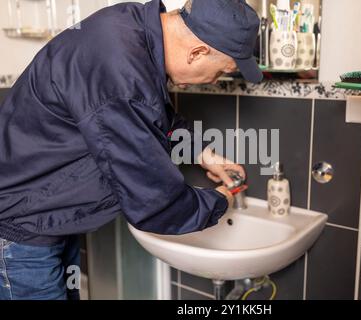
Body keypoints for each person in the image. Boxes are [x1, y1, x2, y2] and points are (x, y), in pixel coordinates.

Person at [0, 0, 262, 300]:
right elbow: (152, 201)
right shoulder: (120, 69)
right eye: (220, 72)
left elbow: (151, 115)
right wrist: (220, 200)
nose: (214, 80)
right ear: (198, 52)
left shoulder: (131, 27)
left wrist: (204, 153)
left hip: (52, 218)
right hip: (20, 232)